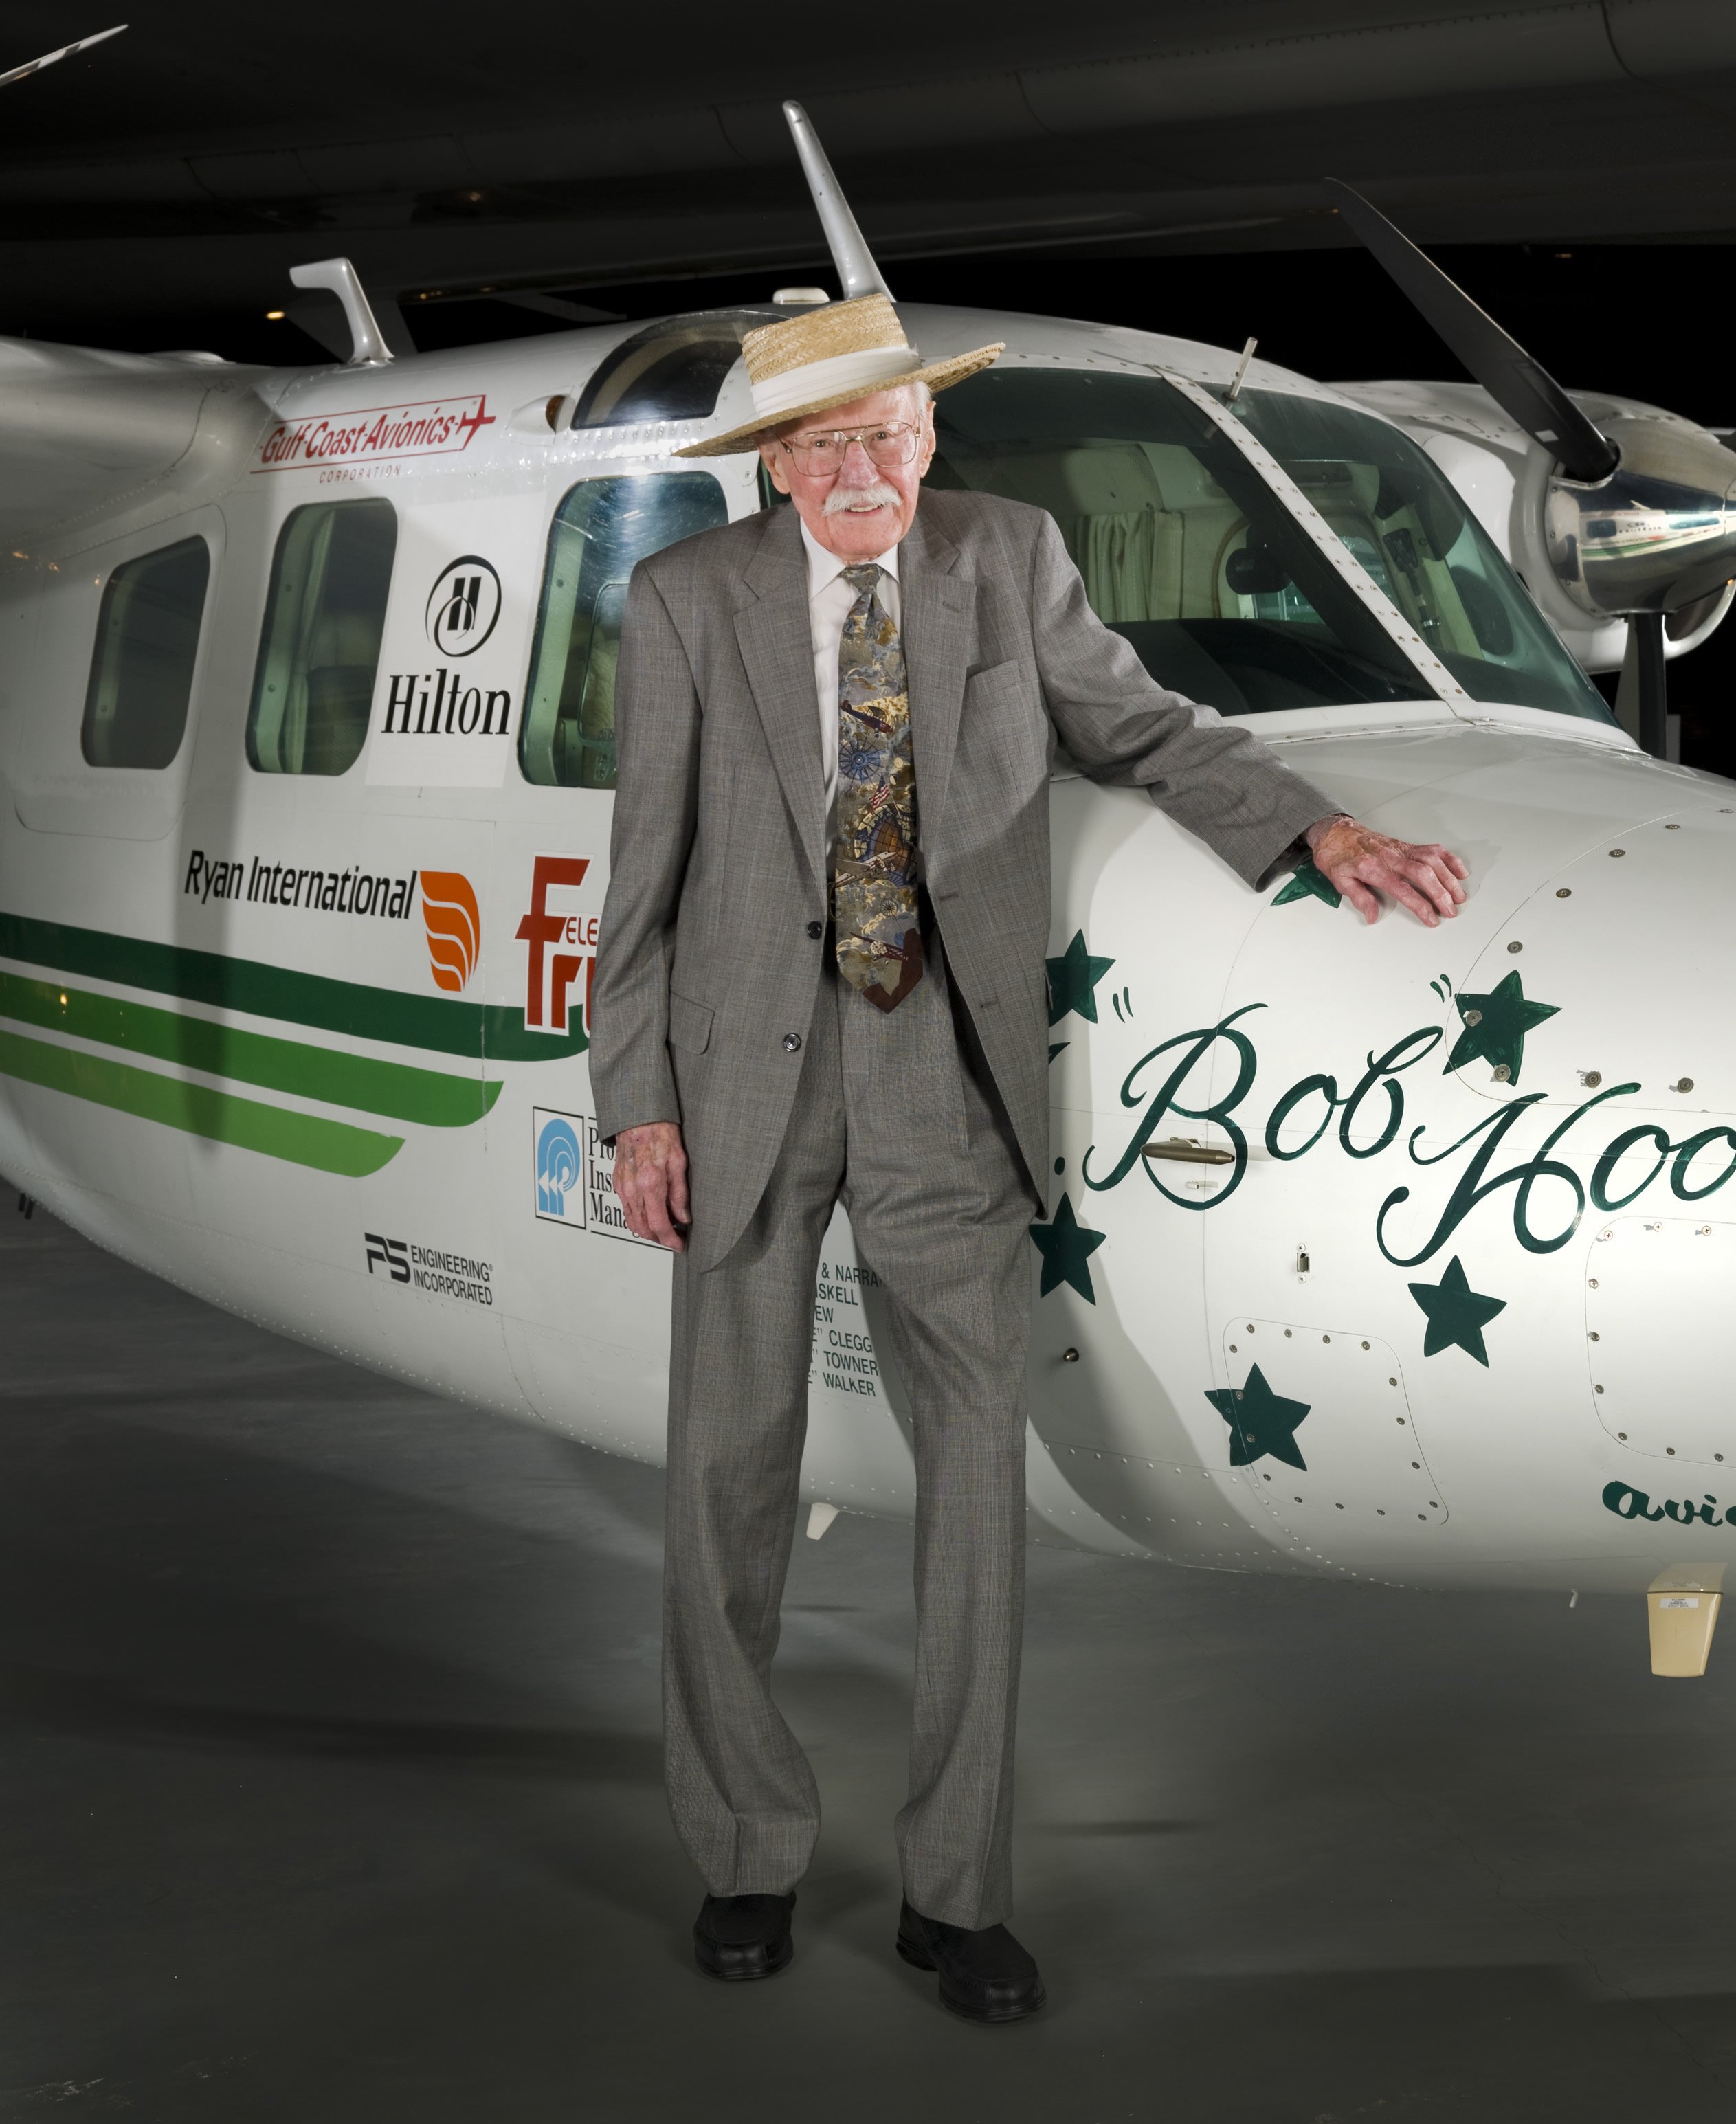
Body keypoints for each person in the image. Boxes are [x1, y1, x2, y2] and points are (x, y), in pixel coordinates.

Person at [588, 291, 1468, 2022]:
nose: (863, 469)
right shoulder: (688, 597)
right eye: (825, 444)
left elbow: (1143, 726)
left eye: (887, 434)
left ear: (930, 436)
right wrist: (637, 1103)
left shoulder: (1007, 558)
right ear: (775, 466)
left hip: (945, 1065)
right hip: (743, 1074)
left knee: (977, 1490)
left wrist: (1314, 827)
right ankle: (746, 1851)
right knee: (724, 1484)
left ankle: (959, 1892)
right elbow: (647, 868)